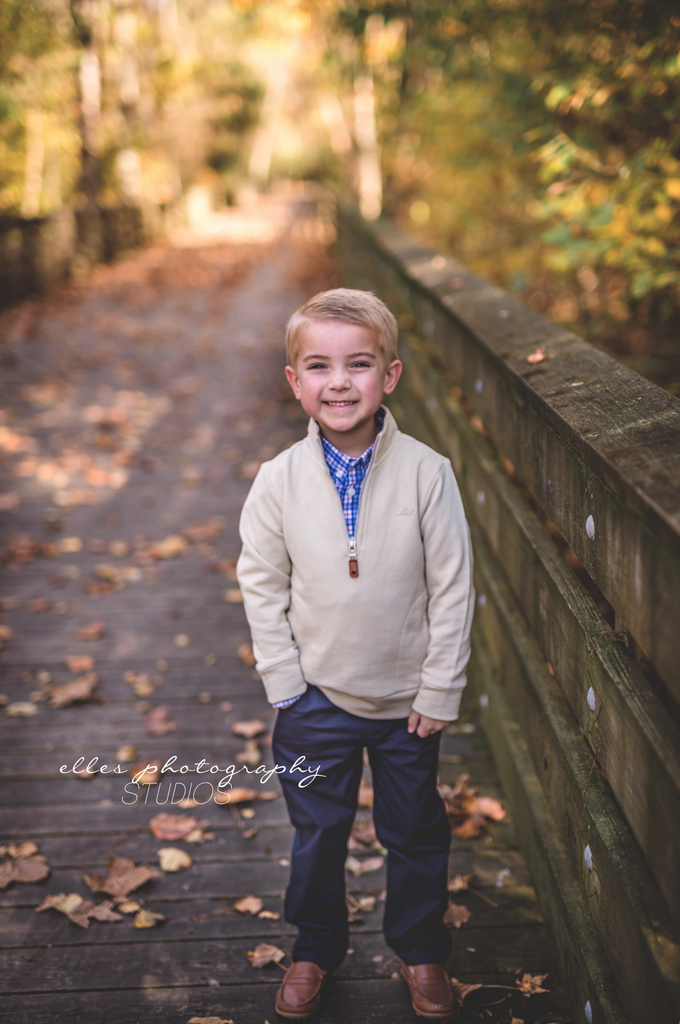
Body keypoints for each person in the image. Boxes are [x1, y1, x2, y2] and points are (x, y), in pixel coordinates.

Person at [236, 288, 475, 1021]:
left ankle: (421, 950)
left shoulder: (427, 473)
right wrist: (284, 683)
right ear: (295, 382)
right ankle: (315, 946)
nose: (339, 382)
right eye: (319, 366)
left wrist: (439, 689)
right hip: (315, 700)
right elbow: (260, 578)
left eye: (359, 364)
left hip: (406, 703)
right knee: (317, 834)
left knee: (413, 832)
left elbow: (455, 587)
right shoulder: (278, 481)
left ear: (390, 376)